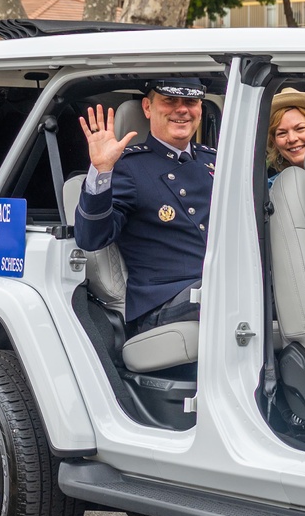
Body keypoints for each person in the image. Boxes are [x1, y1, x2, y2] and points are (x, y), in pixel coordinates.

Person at [75, 79, 216, 335]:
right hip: (164, 301)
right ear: (148, 108)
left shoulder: (216, 160)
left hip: (218, 287)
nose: (182, 109)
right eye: (170, 101)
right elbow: (91, 237)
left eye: (190, 102)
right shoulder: (128, 166)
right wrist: (101, 169)